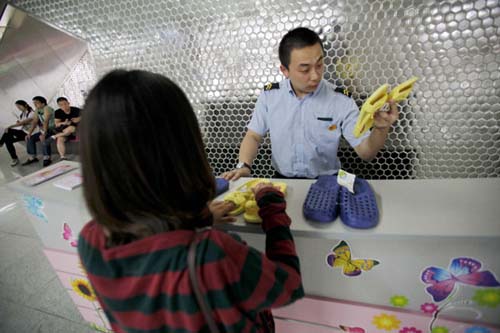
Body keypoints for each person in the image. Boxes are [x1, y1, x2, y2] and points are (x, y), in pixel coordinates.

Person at [77, 69, 304, 333]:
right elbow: (288, 285)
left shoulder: (90, 239)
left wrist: (203, 218)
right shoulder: (212, 256)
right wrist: (273, 208)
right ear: (183, 154)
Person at [222, 27, 399, 180]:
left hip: (327, 181)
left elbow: (366, 152)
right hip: (283, 180)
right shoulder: (270, 96)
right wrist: (243, 165)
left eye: (320, 65)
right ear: (285, 70)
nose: (315, 75)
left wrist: (381, 128)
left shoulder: (340, 99)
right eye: (305, 69)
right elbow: (253, 136)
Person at [22, 96, 55, 167]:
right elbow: (34, 122)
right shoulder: (37, 110)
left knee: (42, 137)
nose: (35, 105)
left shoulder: (47, 108)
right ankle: (32, 157)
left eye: (36, 103)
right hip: (45, 129)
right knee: (30, 138)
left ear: (43, 103)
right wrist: (29, 133)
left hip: (53, 129)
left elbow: (46, 121)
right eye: (34, 103)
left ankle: (47, 157)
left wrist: (44, 133)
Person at [0, 100, 36, 166]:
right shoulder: (22, 114)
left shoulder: (32, 113)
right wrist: (18, 123)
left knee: (9, 130)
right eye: (17, 107)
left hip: (31, 133)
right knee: (8, 140)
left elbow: (23, 123)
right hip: (23, 132)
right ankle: (14, 158)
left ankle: (0, 143)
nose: (18, 108)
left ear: (25, 105)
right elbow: (20, 123)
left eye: (19, 106)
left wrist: (12, 126)